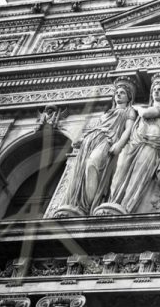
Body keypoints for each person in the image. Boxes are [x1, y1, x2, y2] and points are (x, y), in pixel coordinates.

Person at [94, 74, 160, 215]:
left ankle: (126, 207)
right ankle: (113, 202)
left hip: (151, 145)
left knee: (138, 176)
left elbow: (147, 114)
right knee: (119, 172)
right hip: (134, 142)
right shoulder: (137, 109)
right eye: (154, 89)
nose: (156, 92)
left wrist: (136, 108)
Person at [56, 77, 137, 216]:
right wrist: (81, 139)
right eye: (117, 92)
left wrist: (119, 144)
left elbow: (128, 130)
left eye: (122, 92)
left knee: (92, 164)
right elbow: (96, 128)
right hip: (92, 140)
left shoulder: (129, 112)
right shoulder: (106, 113)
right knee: (80, 172)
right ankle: (80, 206)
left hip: (108, 140)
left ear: (128, 97)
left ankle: (89, 206)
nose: (118, 94)